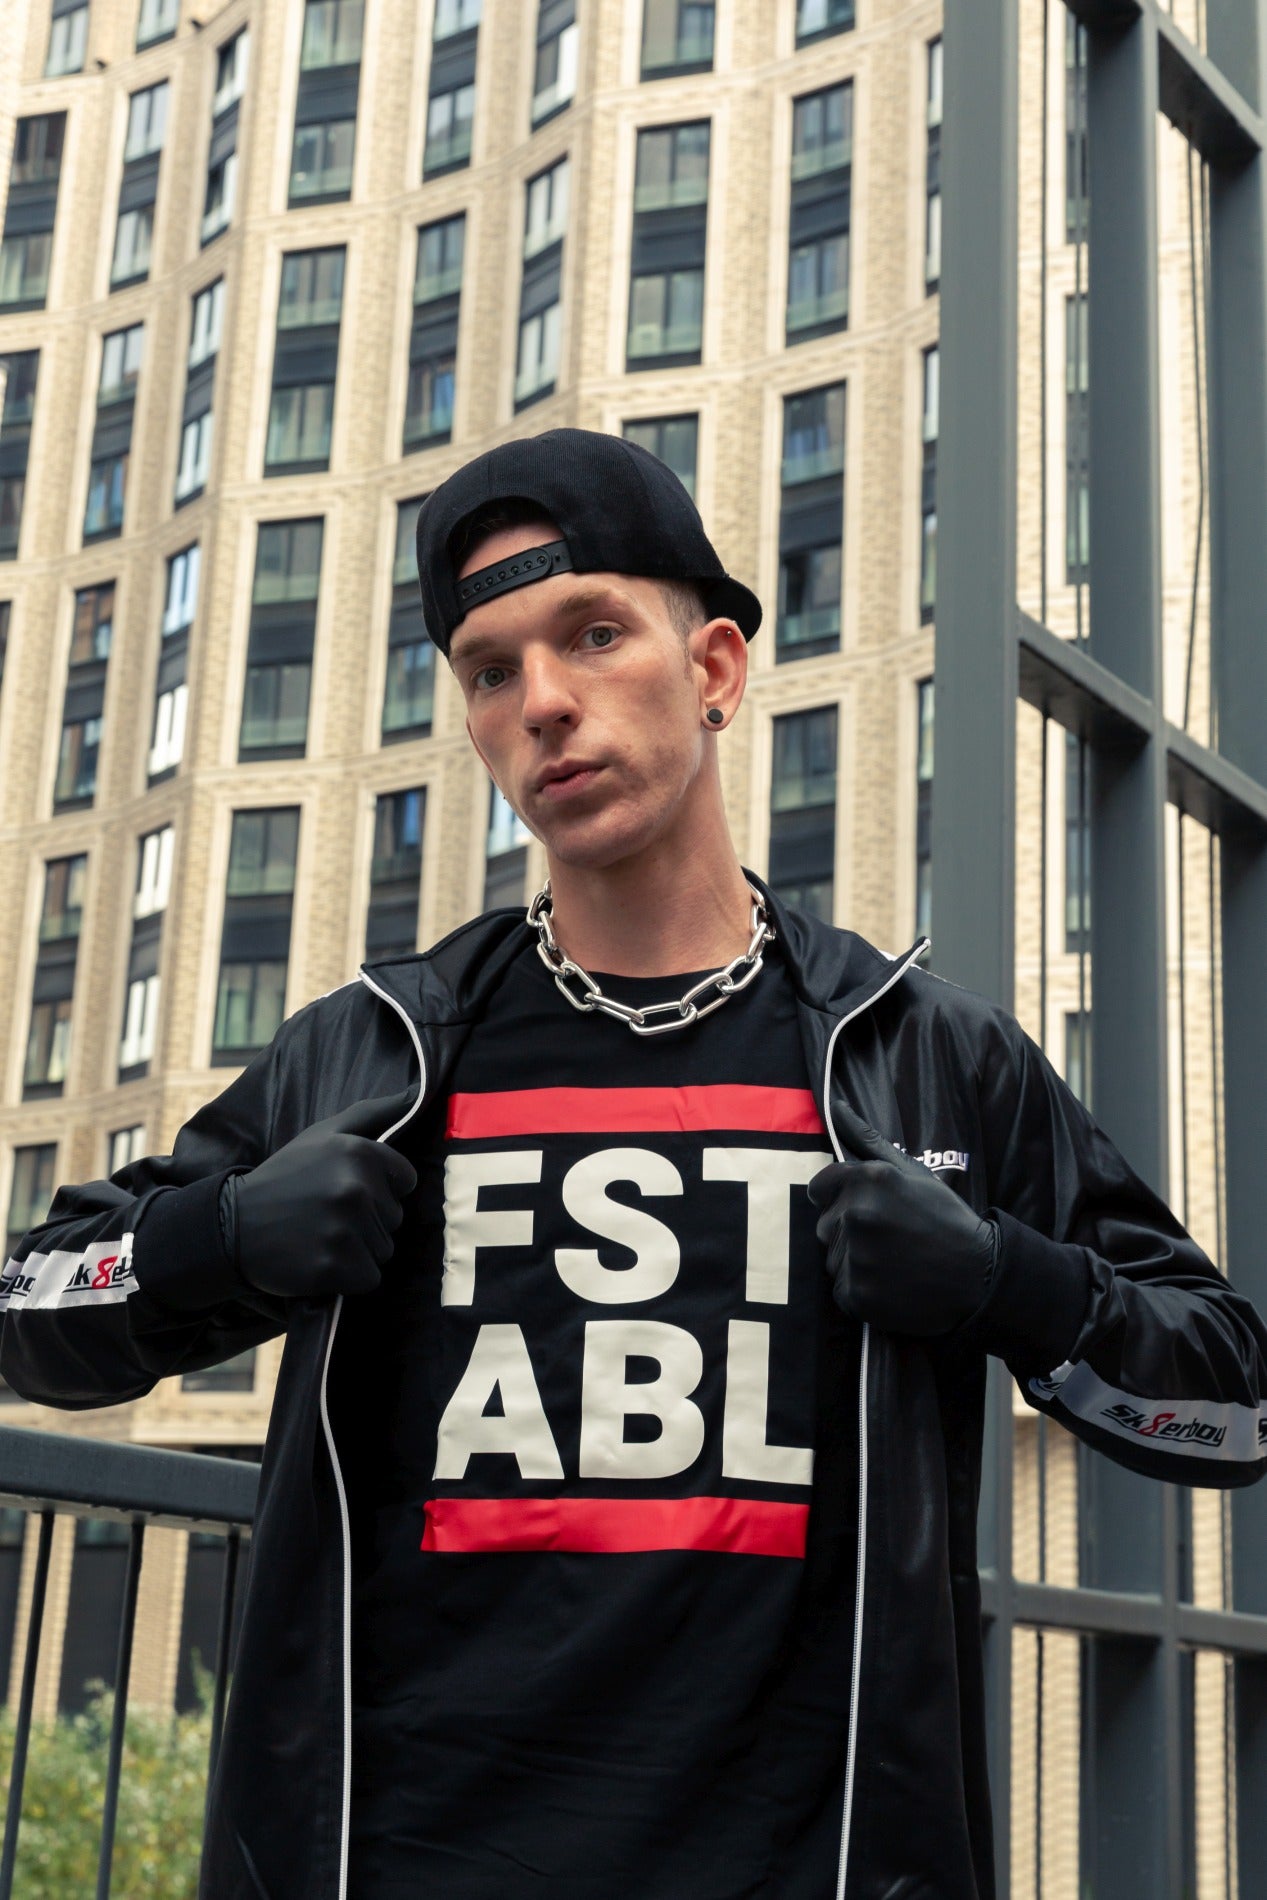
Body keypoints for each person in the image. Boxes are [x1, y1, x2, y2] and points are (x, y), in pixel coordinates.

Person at [2, 426, 1265, 1900]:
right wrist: (217, 1237)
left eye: (594, 635)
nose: (542, 702)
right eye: (489, 668)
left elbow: (1234, 1402)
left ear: (717, 669)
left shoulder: (919, 1055)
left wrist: (1007, 1283)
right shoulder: (374, 1054)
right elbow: (29, 1315)